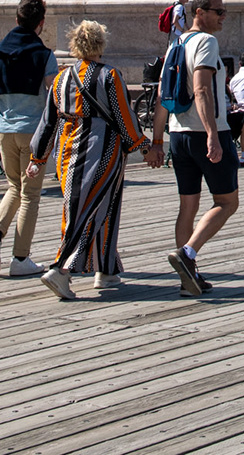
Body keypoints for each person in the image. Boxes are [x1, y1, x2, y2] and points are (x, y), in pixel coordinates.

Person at [27, 20, 148, 300]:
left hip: (67, 152)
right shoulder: (110, 76)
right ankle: (61, 269)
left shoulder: (61, 78)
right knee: (92, 209)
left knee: (86, 208)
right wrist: (143, 146)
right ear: (101, 43)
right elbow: (124, 116)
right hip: (102, 150)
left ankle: (106, 270)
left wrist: (37, 157)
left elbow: (48, 121)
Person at [148, 0, 238, 298]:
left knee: (188, 204)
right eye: (219, 11)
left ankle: (189, 276)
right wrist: (213, 133)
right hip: (205, 132)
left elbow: (163, 94)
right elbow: (202, 90)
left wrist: (157, 140)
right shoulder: (206, 42)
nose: (223, 17)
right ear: (199, 12)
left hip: (178, 133)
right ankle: (187, 253)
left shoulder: (176, 43)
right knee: (227, 202)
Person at [0, 0, 58, 277]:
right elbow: (53, 93)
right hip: (33, 131)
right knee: (31, 195)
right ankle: (20, 258)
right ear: (41, 24)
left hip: (5, 129)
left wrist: (0, 118)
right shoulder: (44, 55)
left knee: (13, 186)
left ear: (16, 20)